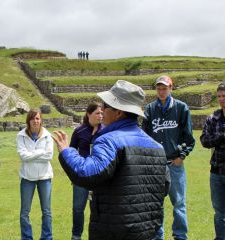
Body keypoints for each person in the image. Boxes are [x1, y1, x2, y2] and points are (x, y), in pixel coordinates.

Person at [53, 80, 169, 240]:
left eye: (105, 107)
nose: (102, 111)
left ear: (119, 112)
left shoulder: (109, 141)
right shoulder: (157, 147)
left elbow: (87, 173)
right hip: (148, 230)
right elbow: (165, 186)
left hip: (115, 230)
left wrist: (67, 152)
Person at [142, 75, 195, 240]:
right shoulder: (150, 109)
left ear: (171, 88)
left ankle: (180, 236)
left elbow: (189, 138)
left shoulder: (181, 108)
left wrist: (182, 156)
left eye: (164, 88)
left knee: (179, 203)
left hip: (174, 164)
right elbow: (144, 136)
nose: (161, 91)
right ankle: (158, 236)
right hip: (156, 164)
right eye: (158, 88)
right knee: (156, 204)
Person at [17, 109, 54, 240]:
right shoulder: (21, 135)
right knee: (25, 212)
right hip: (27, 178)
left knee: (47, 211)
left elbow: (49, 155)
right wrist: (40, 152)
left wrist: (31, 154)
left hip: (45, 177)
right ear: (28, 120)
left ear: (41, 120)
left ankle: (47, 237)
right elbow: (23, 156)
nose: (35, 121)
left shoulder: (47, 135)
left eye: (38, 118)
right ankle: (27, 237)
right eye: (32, 118)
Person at [70, 103, 103, 240]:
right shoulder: (79, 131)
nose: (100, 116)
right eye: (97, 113)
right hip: (82, 177)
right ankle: (76, 236)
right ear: (88, 114)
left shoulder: (106, 131)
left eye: (102, 113)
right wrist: (74, 175)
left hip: (100, 177)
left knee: (98, 209)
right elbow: (71, 153)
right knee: (78, 208)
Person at [200, 82, 225, 240]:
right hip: (216, 172)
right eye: (220, 96)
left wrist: (216, 140)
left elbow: (211, 140)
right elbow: (204, 140)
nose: (222, 99)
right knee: (219, 213)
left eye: (224, 96)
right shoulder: (213, 118)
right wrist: (222, 137)